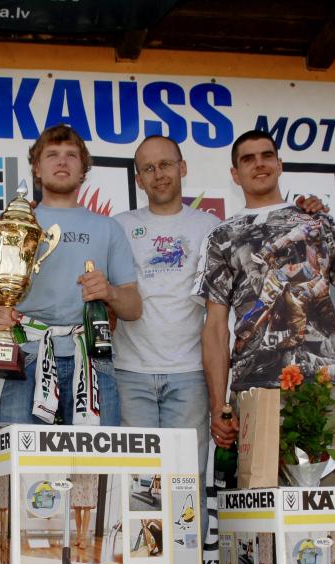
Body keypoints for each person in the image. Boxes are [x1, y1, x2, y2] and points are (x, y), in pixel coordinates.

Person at [197, 130, 335, 485]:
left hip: (327, 389)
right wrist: (220, 406)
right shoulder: (222, 237)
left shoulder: (319, 222)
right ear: (235, 174)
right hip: (257, 392)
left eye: (266, 156)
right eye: (248, 159)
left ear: (280, 165)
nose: (259, 164)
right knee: (263, 513)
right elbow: (215, 329)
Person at [0, 124, 140, 426]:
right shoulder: (15, 224)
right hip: (27, 355)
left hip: (92, 357)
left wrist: (109, 292)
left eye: (71, 155)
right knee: (20, 455)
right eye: (52, 154)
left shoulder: (108, 228)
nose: (62, 161)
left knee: (97, 457)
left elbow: (133, 308)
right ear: (36, 168)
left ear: (83, 170)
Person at [112, 135, 219, 475]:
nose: (158, 174)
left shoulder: (210, 227)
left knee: (185, 480)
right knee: (136, 486)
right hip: (130, 373)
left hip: (189, 374)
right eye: (148, 168)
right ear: (138, 179)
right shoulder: (118, 226)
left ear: (182, 167)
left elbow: (219, 312)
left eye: (165, 164)